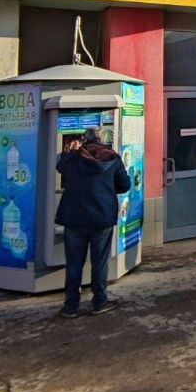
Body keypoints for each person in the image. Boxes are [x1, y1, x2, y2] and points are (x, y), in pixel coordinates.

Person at [55, 126, 130, 318]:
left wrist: (69, 150)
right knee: (99, 262)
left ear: (85, 139)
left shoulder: (74, 157)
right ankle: (99, 302)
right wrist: (106, 188)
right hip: (102, 217)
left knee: (74, 264)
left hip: (74, 217)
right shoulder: (112, 158)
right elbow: (125, 185)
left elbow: (60, 167)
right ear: (104, 140)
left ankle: (71, 306)